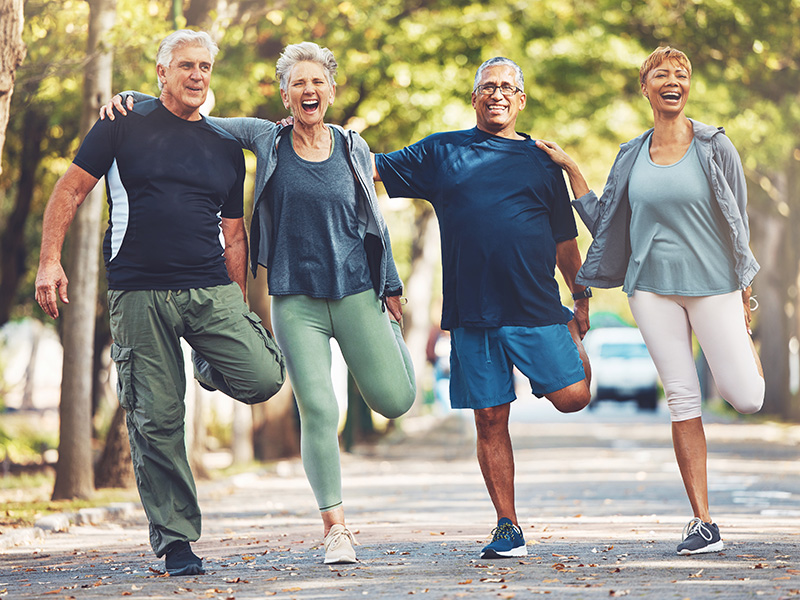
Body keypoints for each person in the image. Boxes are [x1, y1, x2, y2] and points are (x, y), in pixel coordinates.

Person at [102, 41, 416, 564]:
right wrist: (134, 97)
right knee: (319, 408)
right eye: (298, 83)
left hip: (358, 290)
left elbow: (375, 222)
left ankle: (393, 342)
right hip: (295, 298)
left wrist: (390, 283)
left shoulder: (353, 147)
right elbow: (197, 111)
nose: (308, 91)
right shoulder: (265, 139)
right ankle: (335, 528)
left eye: (317, 82)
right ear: (286, 94)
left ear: (330, 90)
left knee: (395, 401)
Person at [35, 30, 286, 575]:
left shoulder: (224, 145)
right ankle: (176, 541)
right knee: (157, 420)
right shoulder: (122, 121)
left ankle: (207, 359)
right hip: (138, 291)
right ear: (162, 72)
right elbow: (71, 189)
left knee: (264, 376)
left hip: (208, 289)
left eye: (205, 68)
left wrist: (237, 306)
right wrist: (49, 259)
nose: (197, 76)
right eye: (187, 66)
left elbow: (235, 235)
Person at [538, 46, 765, 555]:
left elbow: (739, 223)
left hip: (715, 286)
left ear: (688, 88)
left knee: (747, 397)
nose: (672, 80)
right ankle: (702, 521)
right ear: (645, 88)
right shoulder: (630, 155)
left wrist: (744, 292)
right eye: (660, 73)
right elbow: (608, 228)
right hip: (651, 289)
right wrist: (573, 170)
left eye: (680, 74)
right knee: (682, 397)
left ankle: (743, 349)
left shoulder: (715, 145)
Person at [373, 57, 592, 559]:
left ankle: (569, 346)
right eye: (488, 87)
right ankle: (507, 525)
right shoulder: (442, 151)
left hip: (537, 307)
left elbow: (565, 240)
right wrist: (311, 133)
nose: (497, 94)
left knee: (574, 397)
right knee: (491, 417)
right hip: (473, 314)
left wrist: (579, 297)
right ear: (474, 97)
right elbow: (372, 166)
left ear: (521, 99)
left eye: (507, 87)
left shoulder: (543, 161)